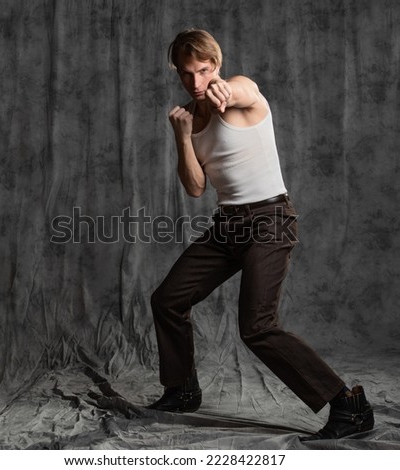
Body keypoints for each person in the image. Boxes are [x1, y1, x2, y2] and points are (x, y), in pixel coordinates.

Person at [147, 29, 374, 440]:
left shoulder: (240, 94)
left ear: (216, 64)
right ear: (177, 73)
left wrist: (225, 93)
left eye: (204, 70)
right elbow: (196, 187)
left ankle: (349, 404)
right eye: (186, 74)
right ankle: (181, 390)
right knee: (167, 299)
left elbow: (242, 92)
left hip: (270, 220)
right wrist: (182, 136)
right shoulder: (189, 117)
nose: (197, 82)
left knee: (257, 326)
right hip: (227, 226)